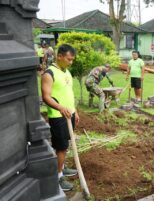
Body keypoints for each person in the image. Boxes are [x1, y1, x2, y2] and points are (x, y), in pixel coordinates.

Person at [41, 44, 79, 191]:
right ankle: (58, 177)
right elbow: (46, 97)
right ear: (60, 56)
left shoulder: (66, 72)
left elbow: (69, 94)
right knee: (61, 147)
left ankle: (62, 167)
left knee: (65, 145)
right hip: (58, 116)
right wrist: (61, 108)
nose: (71, 62)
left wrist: (75, 112)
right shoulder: (49, 73)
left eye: (72, 60)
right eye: (69, 59)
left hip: (69, 115)